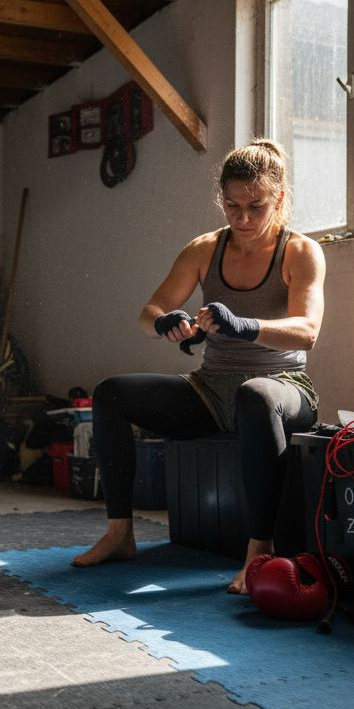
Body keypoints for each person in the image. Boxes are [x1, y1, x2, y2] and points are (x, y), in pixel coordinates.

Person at [71, 138, 326, 595]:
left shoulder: (300, 252)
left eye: (255, 206)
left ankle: (259, 552)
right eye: (232, 206)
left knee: (256, 394)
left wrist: (245, 325)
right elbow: (148, 312)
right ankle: (119, 534)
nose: (243, 218)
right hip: (211, 388)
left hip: (284, 387)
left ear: (280, 200)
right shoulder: (205, 249)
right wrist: (167, 323)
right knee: (110, 392)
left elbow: (307, 331)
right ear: (221, 201)